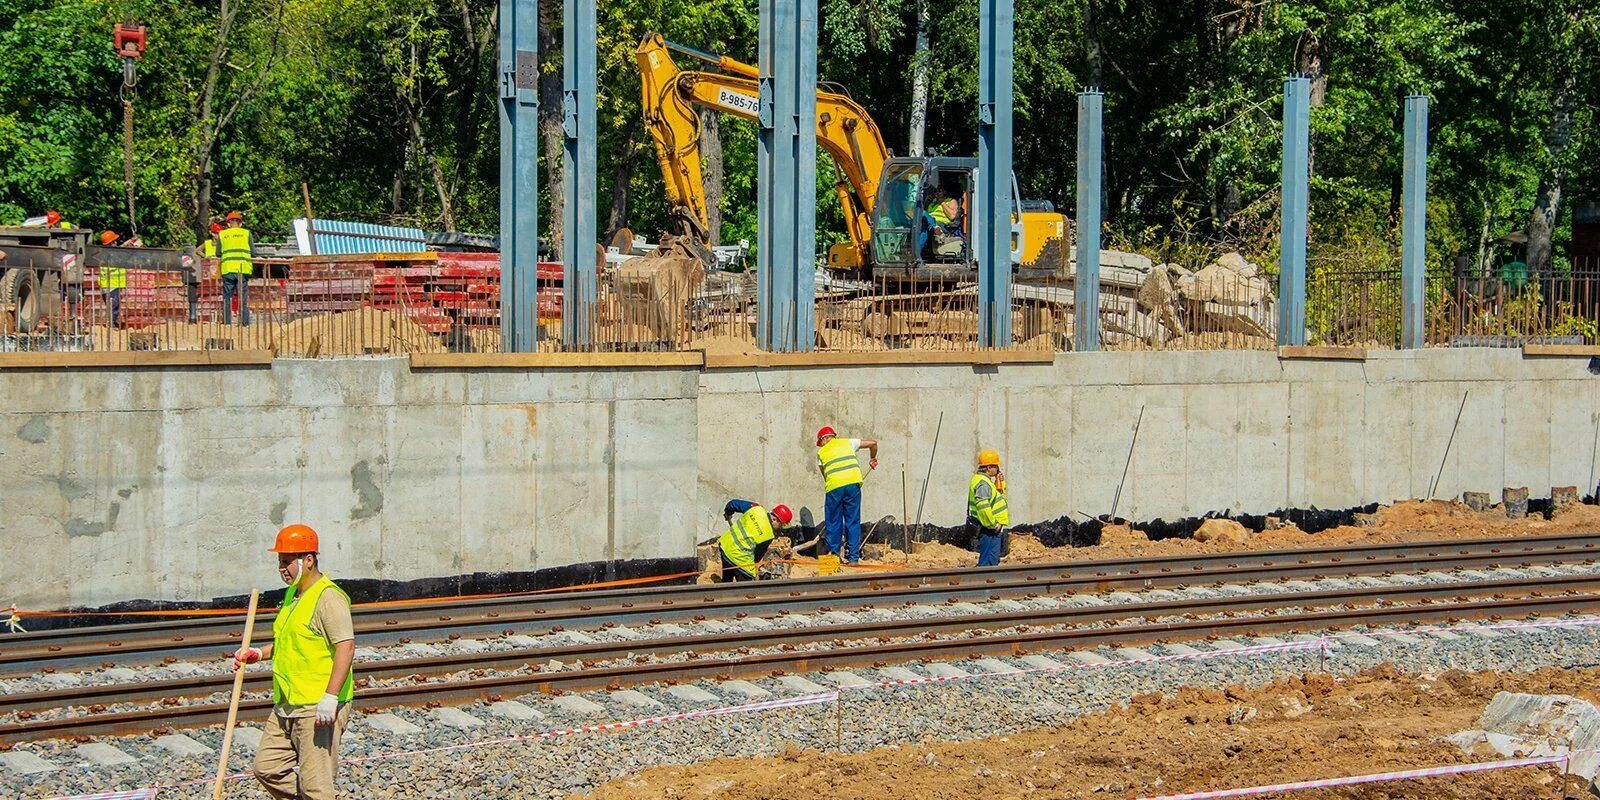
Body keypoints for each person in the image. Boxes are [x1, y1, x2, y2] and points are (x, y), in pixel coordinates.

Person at [232, 524, 356, 800]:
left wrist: (330, 697)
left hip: (317, 707)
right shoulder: (293, 596)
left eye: (287, 562)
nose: (282, 569)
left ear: (308, 560)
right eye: (280, 562)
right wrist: (258, 654)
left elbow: (346, 647)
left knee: (316, 786)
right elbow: (290, 642)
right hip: (287, 704)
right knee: (267, 768)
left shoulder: (328, 598)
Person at [816, 425, 877, 564]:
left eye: (820, 443)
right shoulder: (848, 442)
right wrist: (873, 458)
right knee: (853, 521)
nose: (821, 446)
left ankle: (833, 558)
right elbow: (873, 443)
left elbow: (825, 475)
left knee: (833, 522)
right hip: (853, 485)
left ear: (824, 438)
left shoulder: (821, 453)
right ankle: (853, 558)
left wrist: (835, 485)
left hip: (834, 487)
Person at [717, 500, 793, 581]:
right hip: (740, 559)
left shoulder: (756, 508)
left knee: (727, 578)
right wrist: (752, 570)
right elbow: (757, 556)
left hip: (725, 546)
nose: (781, 528)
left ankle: (724, 588)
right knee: (747, 587)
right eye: (781, 524)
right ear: (775, 519)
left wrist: (728, 513)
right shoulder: (768, 535)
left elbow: (733, 504)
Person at [968, 449, 1010, 567]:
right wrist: (992, 524)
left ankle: (990, 580)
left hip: (991, 527)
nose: (998, 469)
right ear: (988, 468)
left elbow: (997, 496)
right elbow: (983, 507)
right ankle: (983, 581)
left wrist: (1000, 482)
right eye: (996, 466)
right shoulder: (983, 484)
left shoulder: (986, 481)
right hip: (989, 528)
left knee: (992, 560)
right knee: (988, 561)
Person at [218, 211, 254, 325]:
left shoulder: (222, 234)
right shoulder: (246, 233)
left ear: (228, 224)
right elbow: (253, 251)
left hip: (228, 269)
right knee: (242, 297)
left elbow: (218, 252)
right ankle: (244, 323)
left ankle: (227, 322)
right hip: (242, 269)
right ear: (240, 223)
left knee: (227, 297)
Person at [97, 231, 128, 328]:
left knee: (114, 306)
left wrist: (128, 244)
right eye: (115, 241)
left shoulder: (107, 253)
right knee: (113, 307)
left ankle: (112, 324)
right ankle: (111, 325)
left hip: (110, 284)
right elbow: (120, 256)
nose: (116, 243)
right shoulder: (110, 255)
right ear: (111, 243)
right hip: (111, 284)